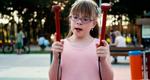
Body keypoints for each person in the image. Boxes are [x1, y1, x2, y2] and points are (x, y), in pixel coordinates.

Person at [49, 0, 114, 80]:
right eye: (75, 17)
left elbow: (108, 79)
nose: (79, 22)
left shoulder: (101, 45)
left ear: (94, 24)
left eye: (85, 19)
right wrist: (56, 57)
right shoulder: (61, 45)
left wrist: (103, 60)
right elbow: (53, 78)